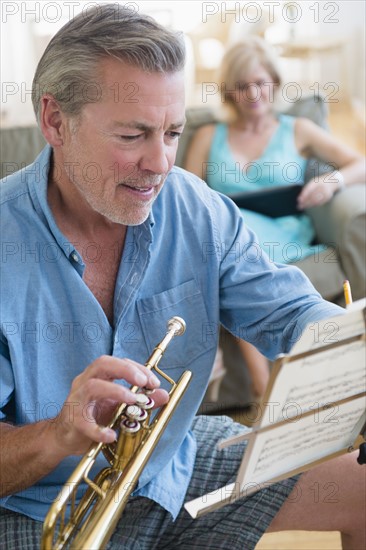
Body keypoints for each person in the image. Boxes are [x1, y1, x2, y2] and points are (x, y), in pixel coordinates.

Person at [0, 5, 364, 550]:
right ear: (55, 120)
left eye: (172, 132)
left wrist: (354, 355)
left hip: (172, 463)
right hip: (38, 506)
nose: (161, 162)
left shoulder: (196, 208)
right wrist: (57, 434)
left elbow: (292, 313)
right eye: (133, 135)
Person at [185, 36, 366, 400]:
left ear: (275, 83)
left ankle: (265, 391)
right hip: (229, 239)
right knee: (226, 248)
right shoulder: (208, 135)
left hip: (283, 237)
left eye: (260, 83)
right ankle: (264, 389)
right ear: (229, 92)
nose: (252, 93)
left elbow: (360, 163)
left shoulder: (297, 129)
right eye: (242, 86)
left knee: (231, 262)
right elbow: (186, 196)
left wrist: (331, 181)